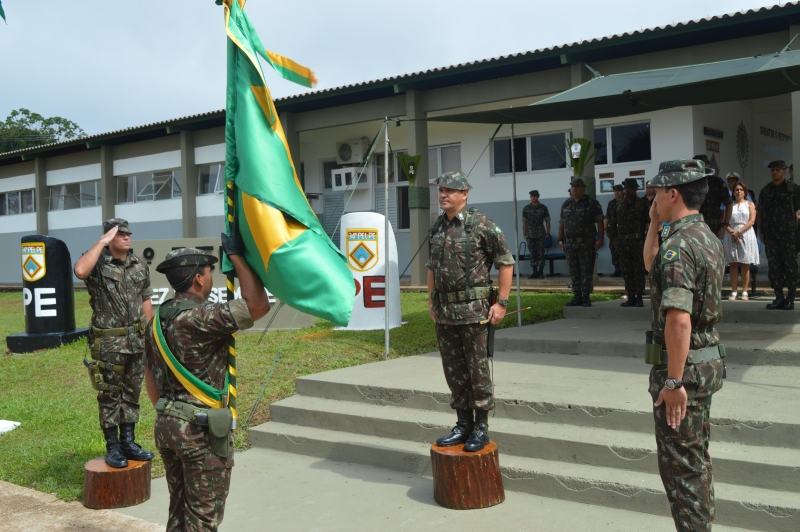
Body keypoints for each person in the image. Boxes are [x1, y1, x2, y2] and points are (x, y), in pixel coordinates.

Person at [143, 241, 269, 531]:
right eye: (210, 271)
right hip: (199, 432)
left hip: (166, 424)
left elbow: (149, 372)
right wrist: (237, 256)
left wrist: (171, 412)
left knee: (178, 511)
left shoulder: (155, 321)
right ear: (199, 278)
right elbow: (257, 305)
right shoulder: (200, 317)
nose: (212, 276)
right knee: (202, 519)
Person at [643, 159, 725, 532]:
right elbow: (652, 267)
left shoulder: (679, 247)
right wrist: (654, 225)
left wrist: (673, 383)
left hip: (683, 371)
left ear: (672, 193)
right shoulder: (704, 237)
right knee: (694, 462)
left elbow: (678, 319)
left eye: (658, 192)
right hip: (703, 364)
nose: (654, 198)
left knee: (682, 472)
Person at [428, 171, 514, 453]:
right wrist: (431, 301)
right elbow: (432, 268)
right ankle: (462, 424)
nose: (443, 195)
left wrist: (501, 303)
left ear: (465, 194)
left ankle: (480, 427)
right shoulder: (437, 227)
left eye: (450, 190)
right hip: (445, 312)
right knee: (454, 371)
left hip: (474, 311)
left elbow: (505, 262)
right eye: (441, 190)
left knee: (477, 370)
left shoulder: (482, 225)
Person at [73, 218, 155, 468]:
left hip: (136, 340)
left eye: (128, 234)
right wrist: (101, 243)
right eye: (120, 235)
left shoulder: (138, 263)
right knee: (110, 394)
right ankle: (113, 447)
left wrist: (149, 336)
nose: (127, 238)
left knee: (131, 393)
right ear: (110, 238)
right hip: (109, 343)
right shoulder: (97, 262)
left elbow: (146, 299)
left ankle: (128, 442)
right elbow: (80, 271)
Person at [756, 160, 800, 310]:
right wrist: (760, 231)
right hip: (771, 235)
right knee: (774, 267)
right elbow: (759, 212)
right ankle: (779, 297)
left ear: (784, 171)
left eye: (777, 170)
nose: (774, 172)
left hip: (789, 235)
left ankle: (790, 298)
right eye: (772, 170)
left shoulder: (793, 189)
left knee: (790, 266)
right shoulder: (766, 191)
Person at [558, 177, 604, 307]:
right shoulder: (566, 204)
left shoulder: (592, 203)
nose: (574, 188)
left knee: (586, 270)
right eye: (573, 186)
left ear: (583, 188)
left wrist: (600, 239)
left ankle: (586, 297)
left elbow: (600, 222)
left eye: (577, 186)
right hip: (570, 243)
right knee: (574, 270)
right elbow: (562, 223)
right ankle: (577, 296)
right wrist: (560, 239)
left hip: (586, 243)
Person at [608, 178, 649, 307]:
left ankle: (639, 297)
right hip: (623, 242)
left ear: (636, 189)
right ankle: (630, 296)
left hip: (637, 242)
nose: (627, 190)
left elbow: (650, 223)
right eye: (625, 188)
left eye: (630, 188)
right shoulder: (619, 205)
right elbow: (613, 223)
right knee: (626, 270)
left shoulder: (642, 204)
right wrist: (614, 239)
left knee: (638, 270)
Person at [724, 182, 758, 301]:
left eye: (741, 189)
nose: (739, 192)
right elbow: (724, 222)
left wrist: (739, 232)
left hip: (746, 233)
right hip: (731, 234)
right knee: (733, 263)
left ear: (745, 192)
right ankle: (734, 291)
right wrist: (732, 232)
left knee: (745, 263)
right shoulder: (730, 206)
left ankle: (744, 291)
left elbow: (752, 221)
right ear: (733, 192)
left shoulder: (750, 204)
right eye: (736, 190)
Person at [693, 155, 732, 238]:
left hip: (714, 228)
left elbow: (729, 203)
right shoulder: (691, 182)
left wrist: (725, 225)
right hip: (695, 226)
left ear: (708, 165)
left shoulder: (717, 182)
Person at [522, 190, 550, 279]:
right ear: (530, 197)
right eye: (532, 196)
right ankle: (534, 272)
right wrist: (524, 234)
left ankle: (541, 272)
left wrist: (547, 232)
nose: (534, 197)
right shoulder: (526, 208)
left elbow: (547, 221)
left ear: (538, 196)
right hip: (530, 234)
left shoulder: (543, 208)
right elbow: (524, 222)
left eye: (535, 196)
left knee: (541, 253)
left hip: (540, 233)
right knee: (533, 253)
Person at [605, 184, 624, 277]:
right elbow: (608, 216)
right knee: (613, 248)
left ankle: (625, 269)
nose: (616, 192)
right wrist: (605, 227)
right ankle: (617, 268)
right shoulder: (611, 203)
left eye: (619, 190)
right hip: (613, 229)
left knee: (624, 249)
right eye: (615, 191)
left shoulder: (626, 202)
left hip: (624, 229)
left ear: (622, 191)